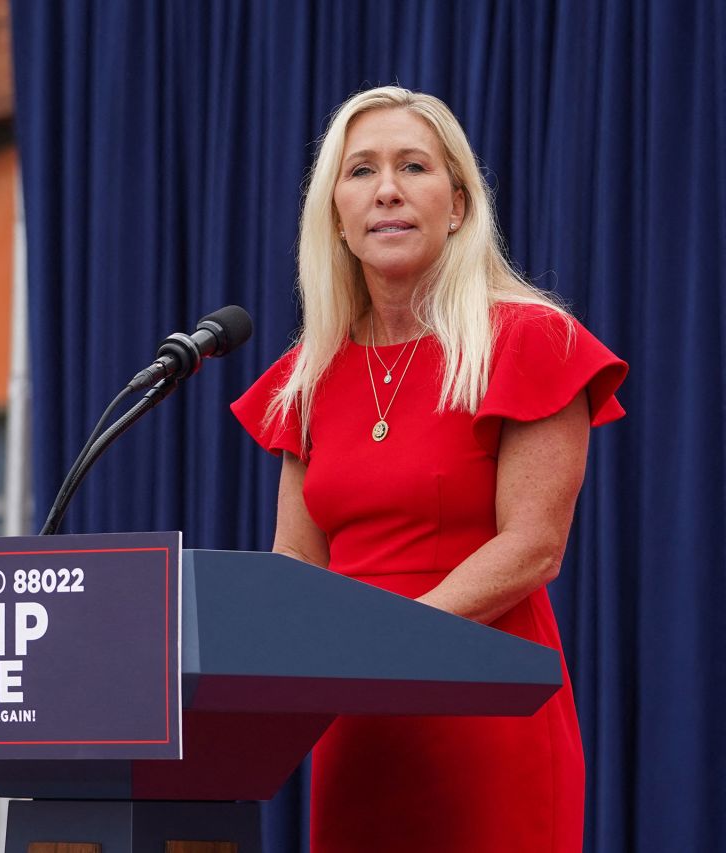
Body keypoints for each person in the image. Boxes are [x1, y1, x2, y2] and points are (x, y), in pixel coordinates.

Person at [231, 86, 627, 852]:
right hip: (357, 736)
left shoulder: (529, 338)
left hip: (488, 719)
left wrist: (390, 650)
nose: (386, 189)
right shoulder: (307, 377)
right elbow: (296, 566)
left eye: (413, 166)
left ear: (457, 204)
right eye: (361, 171)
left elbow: (533, 547)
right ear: (337, 218)